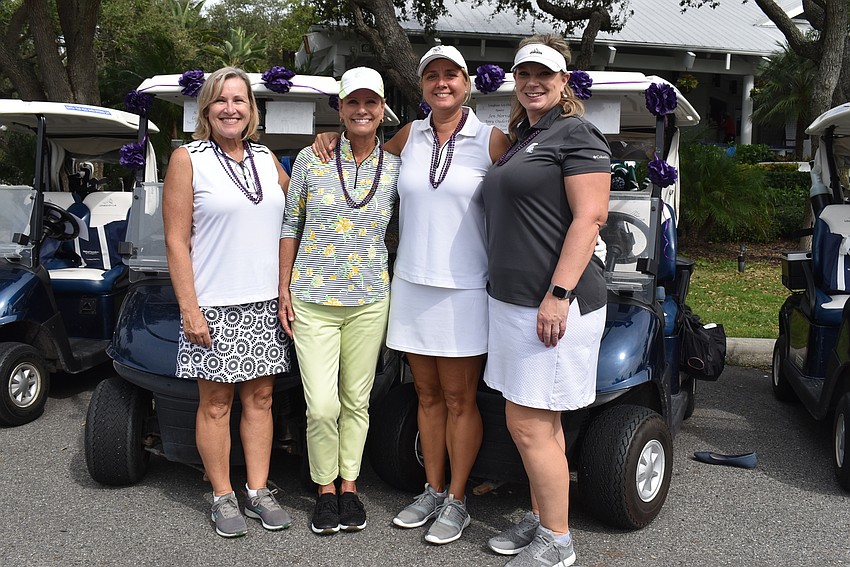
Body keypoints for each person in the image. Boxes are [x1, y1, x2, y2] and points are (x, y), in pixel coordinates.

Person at [314, 45, 510, 544]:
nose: (441, 84)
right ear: (421, 87)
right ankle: (432, 486)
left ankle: (458, 499)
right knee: (425, 395)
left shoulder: (492, 140)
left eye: (451, 75)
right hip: (411, 285)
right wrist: (329, 140)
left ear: (466, 83)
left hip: (465, 289)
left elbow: (523, 203)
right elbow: (360, 156)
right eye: (432, 77)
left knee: (460, 399)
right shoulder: (409, 135)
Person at [481, 35, 611, 566]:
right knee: (544, 421)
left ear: (563, 84)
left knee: (527, 423)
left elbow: (590, 217)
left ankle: (558, 543)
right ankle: (541, 521)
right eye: (524, 74)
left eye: (545, 75)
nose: (533, 83)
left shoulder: (576, 132)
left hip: (557, 304)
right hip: (514, 302)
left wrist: (558, 295)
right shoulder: (523, 137)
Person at [163, 66, 293, 538]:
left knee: (260, 398)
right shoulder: (187, 158)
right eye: (220, 100)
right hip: (212, 303)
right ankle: (222, 494)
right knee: (216, 404)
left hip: (263, 302)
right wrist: (189, 307)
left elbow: (296, 209)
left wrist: (326, 145)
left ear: (251, 110)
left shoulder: (265, 158)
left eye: (239, 100)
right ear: (206, 109)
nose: (230, 108)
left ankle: (257, 489)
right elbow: (176, 241)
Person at [279, 67, 400, 535]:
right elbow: (291, 224)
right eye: (354, 102)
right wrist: (283, 286)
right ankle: (323, 488)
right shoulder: (312, 159)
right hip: (313, 299)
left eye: (371, 103)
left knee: (357, 400)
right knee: (322, 405)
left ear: (382, 109)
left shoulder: (395, 166)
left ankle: (349, 487)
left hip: (370, 299)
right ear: (341, 108)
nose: (363, 110)